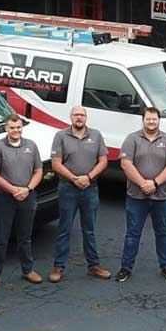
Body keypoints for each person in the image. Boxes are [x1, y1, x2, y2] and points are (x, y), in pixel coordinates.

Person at [115, 107, 166, 283]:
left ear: (159, 120)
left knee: (163, 233)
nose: (151, 122)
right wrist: (143, 183)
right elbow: (126, 164)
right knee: (132, 234)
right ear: (142, 120)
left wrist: (155, 183)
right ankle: (125, 268)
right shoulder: (132, 139)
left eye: (154, 119)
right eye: (148, 119)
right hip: (137, 196)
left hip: (162, 197)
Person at [48, 106, 111, 282]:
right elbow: (56, 164)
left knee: (89, 230)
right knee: (64, 229)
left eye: (82, 115)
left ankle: (94, 266)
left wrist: (88, 177)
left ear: (86, 118)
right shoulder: (60, 136)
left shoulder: (96, 135)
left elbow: (103, 161)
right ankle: (58, 267)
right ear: (71, 117)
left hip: (90, 189)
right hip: (68, 188)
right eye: (76, 115)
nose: (79, 118)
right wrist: (75, 179)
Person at [0, 113, 44, 289]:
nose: (16, 130)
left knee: (25, 237)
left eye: (18, 127)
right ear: (6, 128)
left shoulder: (31, 146)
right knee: (1, 237)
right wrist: (13, 190)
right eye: (12, 127)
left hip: (27, 196)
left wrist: (27, 189)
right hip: (4, 198)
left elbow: (39, 170)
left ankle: (28, 270)